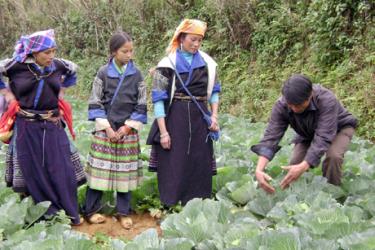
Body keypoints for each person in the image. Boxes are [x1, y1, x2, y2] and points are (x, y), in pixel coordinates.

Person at [0, 29, 85, 225]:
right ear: (34, 53)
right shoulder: (16, 66)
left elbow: (73, 70)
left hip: (52, 124)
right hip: (26, 126)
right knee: (34, 170)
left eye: (54, 51)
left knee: (62, 168)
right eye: (47, 52)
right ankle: (45, 214)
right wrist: (7, 95)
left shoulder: (58, 65)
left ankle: (69, 212)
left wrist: (61, 92)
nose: (51, 56)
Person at [146, 19, 221, 206]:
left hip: (200, 117)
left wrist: (214, 117)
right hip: (175, 117)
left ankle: (199, 201)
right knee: (174, 160)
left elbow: (214, 93)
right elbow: (158, 99)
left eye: (199, 41)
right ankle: (171, 202)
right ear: (181, 38)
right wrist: (163, 132)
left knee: (199, 159)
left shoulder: (209, 64)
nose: (196, 44)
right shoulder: (166, 64)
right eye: (192, 40)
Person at [251, 74, 357, 193]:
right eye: (291, 105)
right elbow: (271, 136)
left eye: (299, 105)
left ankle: (332, 194)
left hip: (339, 127)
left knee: (333, 156)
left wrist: (305, 165)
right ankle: (293, 198)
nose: (295, 109)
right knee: (295, 163)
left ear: (310, 95)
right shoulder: (281, 105)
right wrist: (259, 169)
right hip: (307, 132)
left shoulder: (326, 100)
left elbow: (323, 136)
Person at [84, 31, 146, 229]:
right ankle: (91, 211)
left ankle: (123, 212)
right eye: (124, 51)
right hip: (105, 131)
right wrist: (108, 129)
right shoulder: (102, 73)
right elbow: (95, 101)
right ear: (113, 52)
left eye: (131, 51)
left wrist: (128, 127)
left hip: (127, 131)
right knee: (98, 173)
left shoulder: (137, 75)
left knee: (124, 174)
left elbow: (142, 104)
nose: (129, 55)